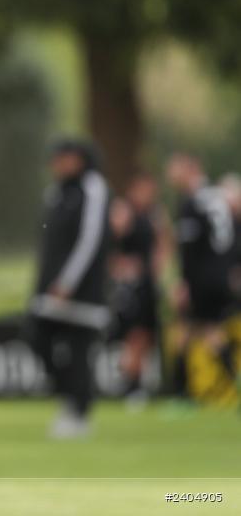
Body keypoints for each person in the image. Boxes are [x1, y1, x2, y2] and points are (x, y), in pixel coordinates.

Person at [28, 139, 111, 438]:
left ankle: (79, 412)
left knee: (79, 351)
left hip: (82, 292)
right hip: (49, 290)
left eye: (63, 158)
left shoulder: (93, 187)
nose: (57, 165)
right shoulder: (56, 192)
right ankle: (70, 398)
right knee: (36, 338)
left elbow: (90, 240)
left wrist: (67, 282)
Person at [165, 153, 237, 400]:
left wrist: (184, 283)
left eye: (175, 169)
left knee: (191, 332)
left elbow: (190, 250)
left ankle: (180, 395)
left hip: (202, 279)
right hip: (219, 276)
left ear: (190, 170)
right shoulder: (216, 197)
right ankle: (183, 393)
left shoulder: (193, 202)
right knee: (205, 331)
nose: (170, 175)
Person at [108, 173, 170, 407]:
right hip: (129, 286)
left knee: (146, 336)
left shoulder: (155, 213)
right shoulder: (123, 210)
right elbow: (108, 244)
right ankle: (131, 385)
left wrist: (159, 268)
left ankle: (135, 383)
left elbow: (164, 244)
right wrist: (118, 266)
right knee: (134, 335)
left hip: (147, 284)